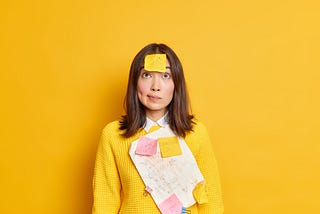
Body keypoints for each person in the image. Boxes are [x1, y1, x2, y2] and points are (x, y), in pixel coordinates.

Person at [92, 43, 224, 214]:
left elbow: (211, 200)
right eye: (146, 75)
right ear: (134, 82)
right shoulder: (113, 135)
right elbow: (105, 202)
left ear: (177, 84)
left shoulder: (196, 134)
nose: (156, 86)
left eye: (166, 76)